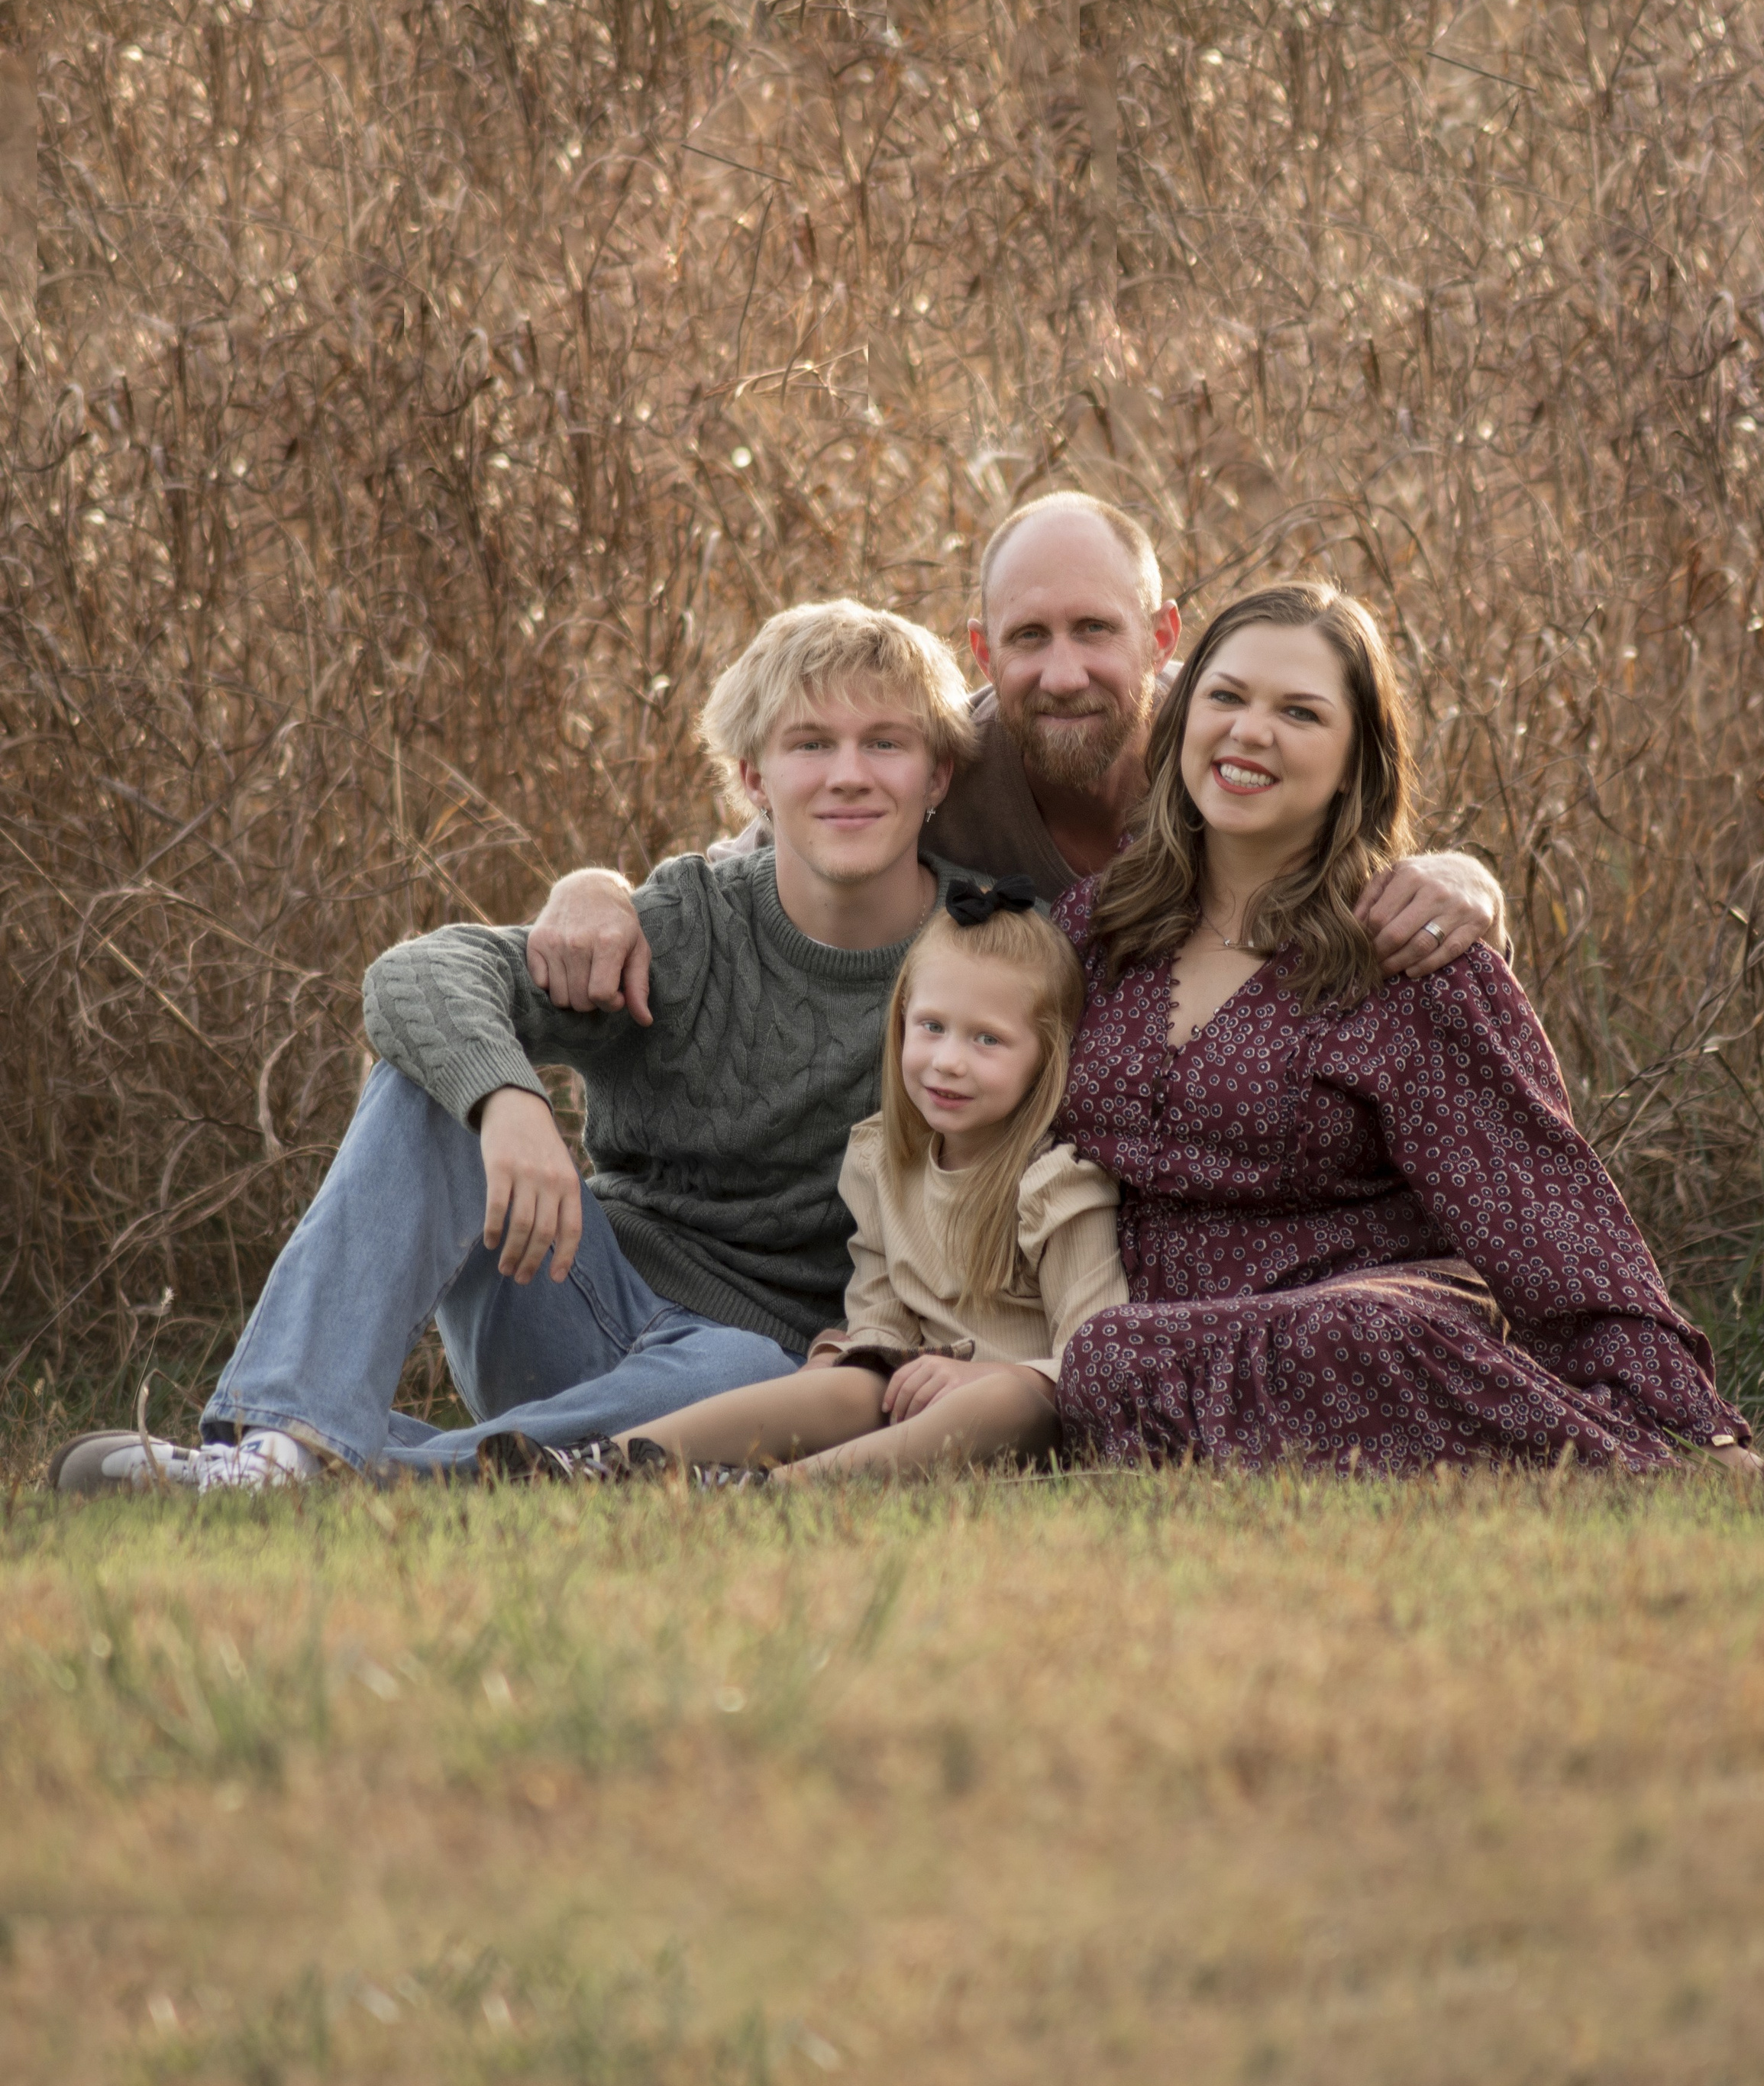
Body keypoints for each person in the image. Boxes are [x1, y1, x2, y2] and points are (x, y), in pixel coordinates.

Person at [53, 602, 995, 1494]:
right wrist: (508, 1099)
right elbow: (415, 975)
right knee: (433, 1077)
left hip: (752, 1367)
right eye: (809, 744)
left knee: (744, 1361)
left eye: (885, 743)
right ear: (754, 777)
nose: (848, 774)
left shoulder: (981, 950)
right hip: (572, 1294)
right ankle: (272, 1442)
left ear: (938, 775)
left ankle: (365, 1471)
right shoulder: (690, 923)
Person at [1046, 580, 1753, 1474]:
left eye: (1299, 712)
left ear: (1354, 760)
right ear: (1182, 717)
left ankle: (1659, 1467)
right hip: (1142, 1347)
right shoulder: (1094, 933)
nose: (1249, 731)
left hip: (1368, 1315)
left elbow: (1544, 1208)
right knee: (1106, 1358)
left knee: (1362, 1331)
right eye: (1225, 697)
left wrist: (1698, 1419)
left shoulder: (1411, 952)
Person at [524, 492, 1508, 1022]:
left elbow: (1344, 846)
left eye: (1095, 629)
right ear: (983, 650)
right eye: (1029, 638)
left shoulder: (1221, 750)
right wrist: (596, 889)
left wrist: (1462, 875)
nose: (1065, 671)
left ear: (1164, 634)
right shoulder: (946, 763)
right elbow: (762, 858)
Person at [492, 880, 1127, 1486]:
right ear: (902, 1022)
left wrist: (984, 1380)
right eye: (931, 1027)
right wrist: (849, 1357)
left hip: (1021, 1417)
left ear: (1047, 1056)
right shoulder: (886, 1161)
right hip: (916, 1401)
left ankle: (776, 1490)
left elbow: (1097, 1358)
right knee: (854, 1375)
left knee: (1006, 1398)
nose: (948, 1061)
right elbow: (880, 1316)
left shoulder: (1057, 1188)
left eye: (988, 1040)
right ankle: (609, 1462)